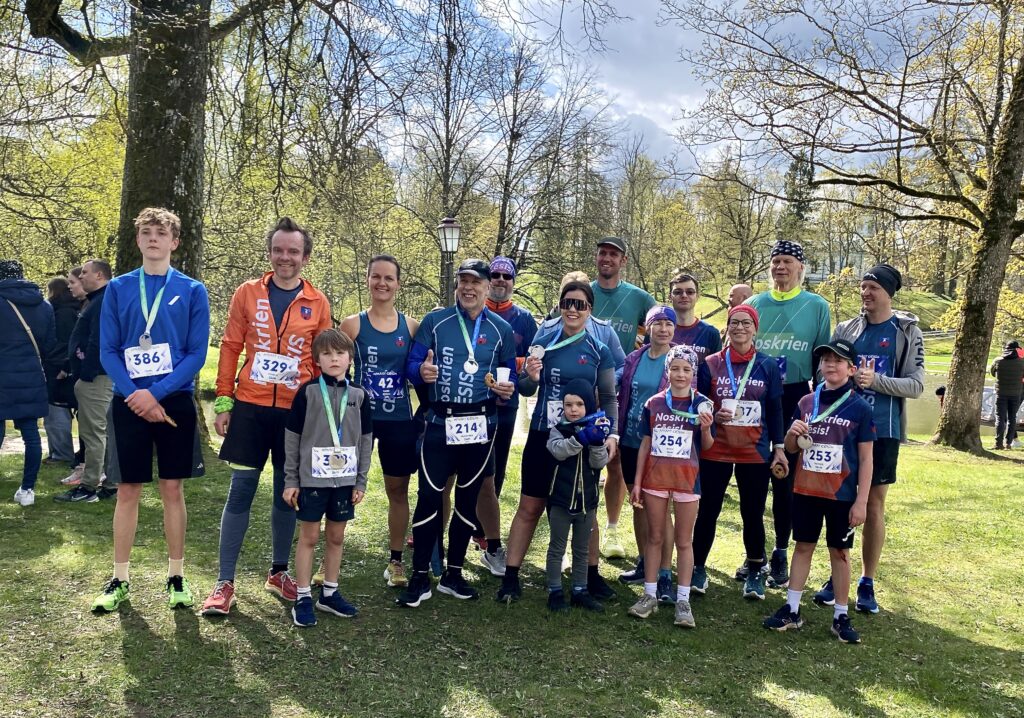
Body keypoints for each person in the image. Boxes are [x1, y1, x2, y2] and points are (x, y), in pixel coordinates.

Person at [201, 217, 332, 615]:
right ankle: (224, 582)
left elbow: (324, 360)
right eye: (278, 250)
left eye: (293, 251)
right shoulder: (247, 292)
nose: (284, 257)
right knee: (241, 490)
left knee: (286, 494)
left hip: (295, 413)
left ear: (305, 257)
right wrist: (224, 400)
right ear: (270, 253)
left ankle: (279, 571)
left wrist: (322, 410)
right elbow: (230, 346)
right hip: (251, 408)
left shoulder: (317, 302)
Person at [91, 207, 209, 613]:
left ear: (175, 241)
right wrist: (135, 394)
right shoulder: (119, 288)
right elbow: (108, 350)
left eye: (161, 232)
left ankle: (176, 575)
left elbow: (196, 354)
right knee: (127, 489)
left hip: (172, 398)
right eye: (146, 232)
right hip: (129, 400)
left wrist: (155, 393)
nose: (153, 238)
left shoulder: (192, 290)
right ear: (138, 240)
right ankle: (119, 578)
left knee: (172, 488)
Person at [397, 259, 517, 607]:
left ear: (487, 287)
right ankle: (420, 576)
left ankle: (453, 573)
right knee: (429, 496)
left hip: (480, 423)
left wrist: (507, 388)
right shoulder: (436, 321)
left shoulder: (501, 330)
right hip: (439, 420)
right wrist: (421, 372)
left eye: (475, 282)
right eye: (463, 281)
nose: (468, 288)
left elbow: (509, 373)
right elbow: (412, 366)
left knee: (467, 499)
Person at [498, 280, 619, 604]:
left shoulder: (599, 349)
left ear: (589, 310)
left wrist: (611, 434)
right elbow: (525, 388)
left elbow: (608, 397)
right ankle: (511, 576)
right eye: (567, 303)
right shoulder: (543, 341)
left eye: (580, 304)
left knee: (586, 509)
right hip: (544, 433)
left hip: (582, 439)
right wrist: (531, 377)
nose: (572, 310)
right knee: (530, 506)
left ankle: (590, 576)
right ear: (560, 306)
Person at [816, 264, 924, 613]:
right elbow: (824, 372)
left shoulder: (906, 331)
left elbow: (916, 386)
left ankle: (867, 581)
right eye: (863, 287)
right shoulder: (847, 328)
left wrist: (876, 381)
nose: (865, 293)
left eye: (873, 288)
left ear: (889, 293)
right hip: (842, 428)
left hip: (883, 429)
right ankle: (837, 575)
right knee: (839, 502)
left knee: (873, 504)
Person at [763, 339, 874, 644]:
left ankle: (840, 615)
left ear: (851, 369)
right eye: (826, 360)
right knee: (803, 546)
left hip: (841, 494)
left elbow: (866, 459)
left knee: (840, 552)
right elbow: (790, 448)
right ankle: (792, 609)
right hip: (806, 490)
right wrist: (791, 434)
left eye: (838, 361)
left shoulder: (860, 407)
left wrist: (862, 501)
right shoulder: (806, 402)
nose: (830, 365)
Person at [746, 240, 831, 588]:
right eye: (775, 261)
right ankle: (753, 554)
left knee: (784, 480)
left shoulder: (817, 305)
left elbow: (821, 361)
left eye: (787, 261)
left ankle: (781, 551)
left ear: (800, 268)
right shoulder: (755, 303)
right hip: (755, 398)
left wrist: (818, 406)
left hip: (794, 395)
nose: (780, 267)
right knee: (753, 478)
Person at [693, 304, 785, 600]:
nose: (740, 328)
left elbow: (775, 409)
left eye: (746, 323)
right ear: (727, 327)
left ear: (755, 329)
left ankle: (756, 570)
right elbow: (700, 402)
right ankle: (697, 567)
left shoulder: (767, 365)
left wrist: (779, 447)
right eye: (734, 322)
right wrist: (712, 413)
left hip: (753, 452)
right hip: (716, 449)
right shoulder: (711, 363)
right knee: (708, 511)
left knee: (753, 513)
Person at [339, 254, 420, 588]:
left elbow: (420, 371)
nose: (382, 283)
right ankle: (330, 559)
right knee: (341, 486)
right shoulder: (352, 325)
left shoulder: (411, 327)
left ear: (398, 284)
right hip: (359, 419)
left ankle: (396, 561)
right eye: (376, 277)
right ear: (368, 279)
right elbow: (335, 372)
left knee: (397, 490)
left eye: (389, 278)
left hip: (399, 419)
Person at [282, 329, 372, 626]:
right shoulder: (307, 393)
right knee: (309, 537)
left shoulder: (359, 395)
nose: (334, 359)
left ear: (350, 358)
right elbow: (292, 438)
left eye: (340, 353)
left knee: (336, 536)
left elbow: (366, 441)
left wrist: (361, 481)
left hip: (345, 481)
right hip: (312, 480)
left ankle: (330, 593)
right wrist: (291, 480)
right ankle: (303, 596)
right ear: (317, 360)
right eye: (327, 354)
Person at [627, 346, 715, 628]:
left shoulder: (703, 404)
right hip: (655, 480)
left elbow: (708, 447)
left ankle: (683, 601)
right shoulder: (654, 403)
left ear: (693, 373)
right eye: (675, 368)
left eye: (686, 369)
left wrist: (705, 428)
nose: (680, 374)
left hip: (687, 481)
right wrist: (637, 482)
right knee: (655, 537)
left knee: (684, 541)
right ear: (667, 371)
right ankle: (649, 594)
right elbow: (645, 444)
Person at [471, 256, 538, 576]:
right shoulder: (472, 312)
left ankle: (484, 533)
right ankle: (454, 525)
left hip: (505, 405)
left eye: (506, 276)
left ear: (513, 282)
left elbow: (532, 365)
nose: (500, 280)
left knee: (494, 469)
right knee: (460, 467)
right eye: (495, 275)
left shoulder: (524, 319)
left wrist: (519, 370)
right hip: (473, 403)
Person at [591, 237, 656, 559]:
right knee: (579, 457)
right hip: (582, 389)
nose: (607, 259)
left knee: (614, 459)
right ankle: (583, 528)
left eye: (613, 254)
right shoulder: (584, 292)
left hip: (620, 391)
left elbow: (659, 329)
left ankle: (612, 529)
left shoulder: (639, 297)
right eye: (602, 253)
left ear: (623, 260)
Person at [617, 306, 676, 592]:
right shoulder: (633, 358)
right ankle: (644, 562)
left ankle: (664, 571)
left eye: (668, 324)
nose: (663, 329)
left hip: (661, 445)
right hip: (631, 440)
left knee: (660, 508)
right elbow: (618, 386)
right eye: (658, 324)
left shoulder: (679, 359)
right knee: (638, 502)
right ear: (648, 327)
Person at [544, 379, 611, 612]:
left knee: (582, 549)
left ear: (589, 406)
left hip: (586, 503)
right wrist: (580, 439)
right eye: (569, 404)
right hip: (561, 501)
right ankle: (554, 591)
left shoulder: (595, 429)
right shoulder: (558, 430)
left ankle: (580, 590)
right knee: (557, 547)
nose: (574, 410)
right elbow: (558, 451)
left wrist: (597, 442)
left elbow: (599, 463)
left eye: (580, 404)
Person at [56, 259, 117, 503]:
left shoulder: (102, 302)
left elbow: (98, 340)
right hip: (97, 375)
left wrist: (86, 373)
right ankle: (111, 483)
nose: (80, 277)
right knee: (104, 432)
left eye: (84, 273)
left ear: (99, 275)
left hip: (96, 377)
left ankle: (89, 487)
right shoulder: (99, 300)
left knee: (93, 433)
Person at [1, 260, 58, 507]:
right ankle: (27, 489)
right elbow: (50, 345)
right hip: (31, 377)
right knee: (31, 436)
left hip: (2, 375)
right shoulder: (43, 305)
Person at [43, 276, 82, 465]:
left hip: (58, 366)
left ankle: (61, 453)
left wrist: (62, 366)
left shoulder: (61, 313)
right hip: (70, 366)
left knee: (56, 408)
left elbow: (65, 342)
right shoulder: (77, 309)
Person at [59, 267, 88, 486]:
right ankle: (83, 464)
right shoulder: (82, 307)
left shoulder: (93, 306)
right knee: (85, 424)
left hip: (90, 374)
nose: (69, 286)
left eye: (73, 282)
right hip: (80, 373)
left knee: (92, 427)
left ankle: (89, 471)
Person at [659, 273, 722, 363]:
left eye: (690, 292)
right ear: (670, 297)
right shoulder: (658, 331)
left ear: (697, 296)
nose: (684, 295)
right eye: (678, 292)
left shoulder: (711, 333)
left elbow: (717, 368)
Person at [988, 340, 1024, 450]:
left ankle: (998, 443)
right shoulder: (1022, 362)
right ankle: (1008, 443)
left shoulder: (998, 360)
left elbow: (992, 373)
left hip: (1001, 393)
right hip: (1016, 394)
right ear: (1016, 349)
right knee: (1012, 418)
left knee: (1000, 418)